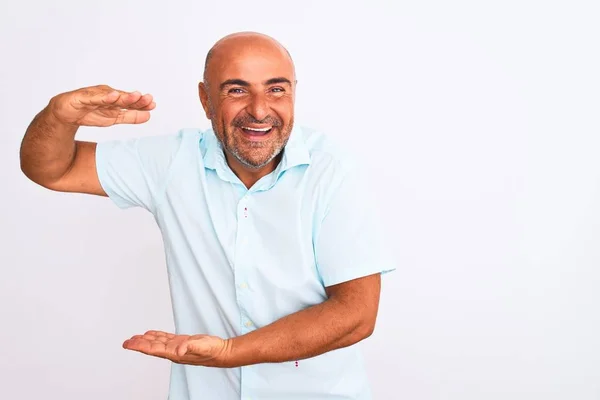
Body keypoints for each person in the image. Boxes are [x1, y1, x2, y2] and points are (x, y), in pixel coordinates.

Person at [19, 31, 395, 400]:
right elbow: (53, 169)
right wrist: (59, 116)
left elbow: (356, 313)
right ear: (205, 99)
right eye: (237, 90)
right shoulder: (171, 162)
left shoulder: (332, 171)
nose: (260, 109)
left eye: (276, 89)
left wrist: (230, 352)